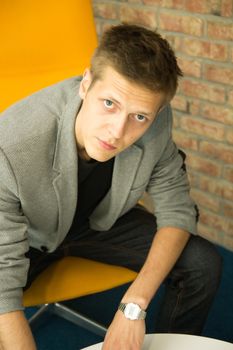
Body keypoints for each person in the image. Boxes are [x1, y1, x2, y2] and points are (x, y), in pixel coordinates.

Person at [0, 24, 222, 350]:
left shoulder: (153, 118)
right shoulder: (12, 145)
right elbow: (3, 283)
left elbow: (177, 209)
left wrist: (133, 307)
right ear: (86, 83)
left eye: (140, 117)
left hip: (96, 223)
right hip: (26, 237)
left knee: (203, 263)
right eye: (109, 104)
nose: (118, 132)